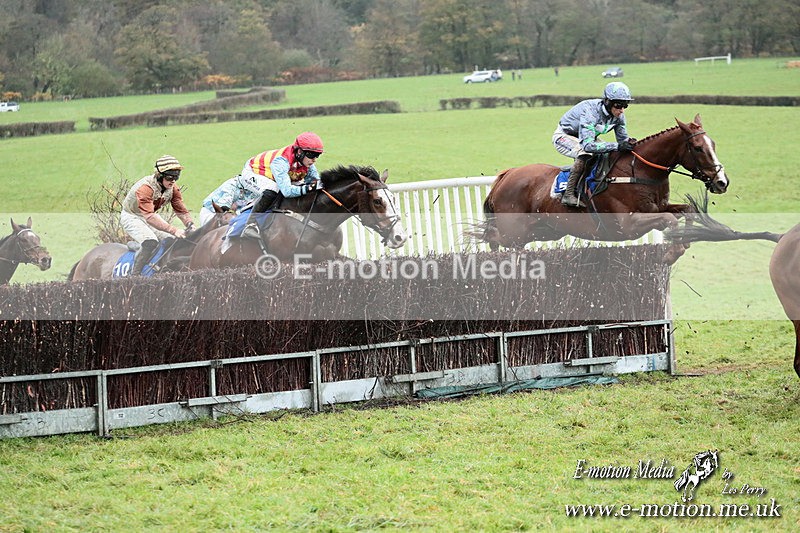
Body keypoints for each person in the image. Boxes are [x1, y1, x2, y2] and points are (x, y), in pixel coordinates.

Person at [552, 81, 636, 207]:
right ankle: (568, 194)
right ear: (607, 102)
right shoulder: (591, 112)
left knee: (607, 155)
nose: (622, 110)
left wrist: (629, 144)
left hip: (586, 137)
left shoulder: (619, 117)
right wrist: (617, 146)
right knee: (585, 153)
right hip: (565, 136)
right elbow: (587, 146)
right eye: (619, 105)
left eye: (625, 106)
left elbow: (622, 141)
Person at [120, 155, 195, 275]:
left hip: (149, 216)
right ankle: (134, 275)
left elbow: (180, 209)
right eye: (170, 177)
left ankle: (159, 267)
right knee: (150, 241)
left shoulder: (172, 188)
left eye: (176, 177)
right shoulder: (145, 188)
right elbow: (149, 217)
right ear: (160, 175)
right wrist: (174, 230)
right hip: (132, 216)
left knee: (170, 240)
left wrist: (190, 224)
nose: (173, 181)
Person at [240, 132, 324, 238]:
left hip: (277, 173)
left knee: (300, 186)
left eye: (317, 155)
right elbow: (287, 191)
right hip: (253, 171)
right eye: (311, 155)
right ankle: (249, 225)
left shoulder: (306, 162)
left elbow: (316, 182)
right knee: (272, 190)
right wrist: (309, 187)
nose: (314, 159)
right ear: (299, 151)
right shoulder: (281, 161)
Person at [198, 173, 268, 226]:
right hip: (211, 213)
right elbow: (222, 209)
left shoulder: (258, 191)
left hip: (233, 216)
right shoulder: (233, 184)